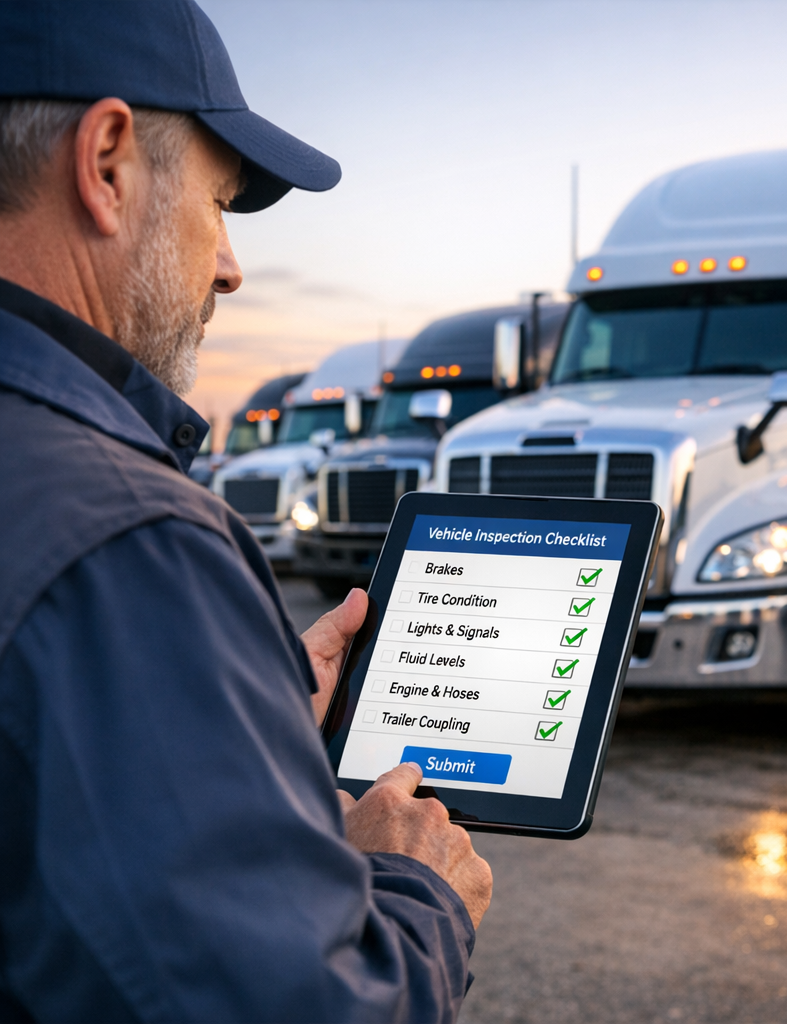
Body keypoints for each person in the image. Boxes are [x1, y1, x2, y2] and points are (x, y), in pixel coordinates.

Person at [0, 2, 492, 1021]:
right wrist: (412, 887)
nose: (229, 264)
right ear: (106, 162)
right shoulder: (127, 540)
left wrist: (224, 711)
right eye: (218, 203)